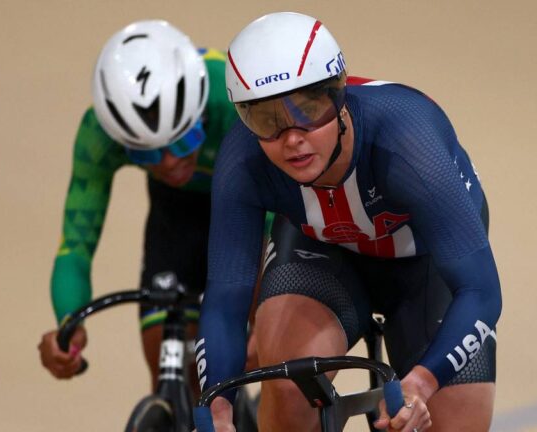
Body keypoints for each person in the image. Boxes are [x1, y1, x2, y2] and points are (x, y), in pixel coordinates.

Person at [196, 12, 502, 432]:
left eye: (308, 109)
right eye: (267, 120)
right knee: (288, 387)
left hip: (425, 262)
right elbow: (225, 302)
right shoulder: (244, 161)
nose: (292, 137)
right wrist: (217, 403)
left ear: (338, 95)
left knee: (450, 423)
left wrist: (422, 382)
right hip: (324, 251)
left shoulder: (407, 144)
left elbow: (482, 291)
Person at [37, 20, 242, 392]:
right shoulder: (99, 133)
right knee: (174, 371)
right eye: (145, 152)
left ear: (201, 114)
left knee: (270, 349)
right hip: (175, 218)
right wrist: (68, 324)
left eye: (184, 140)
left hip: (249, 210)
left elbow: (280, 214)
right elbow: (75, 247)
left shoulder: (232, 98)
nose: (167, 163)